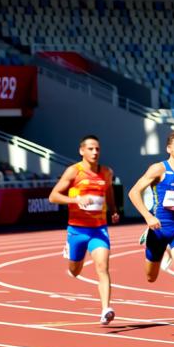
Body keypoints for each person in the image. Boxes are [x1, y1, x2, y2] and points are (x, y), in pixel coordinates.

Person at [127, 130, 174, 328]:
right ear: (169, 149)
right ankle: (152, 243)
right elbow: (133, 193)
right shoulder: (158, 169)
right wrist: (148, 217)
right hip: (158, 228)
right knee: (151, 277)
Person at [48, 135, 120, 326]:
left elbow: (109, 192)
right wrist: (76, 200)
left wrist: (113, 210)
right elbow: (53, 196)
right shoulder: (74, 171)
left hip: (99, 229)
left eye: (97, 149)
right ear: (82, 151)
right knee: (75, 269)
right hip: (77, 230)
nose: (95, 152)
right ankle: (72, 263)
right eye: (90, 149)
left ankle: (106, 309)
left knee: (102, 267)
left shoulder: (106, 172)